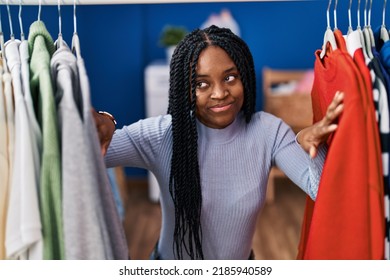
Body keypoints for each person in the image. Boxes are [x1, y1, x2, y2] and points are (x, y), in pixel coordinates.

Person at [93, 25, 344, 260]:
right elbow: (88, 153)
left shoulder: (268, 131)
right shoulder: (163, 134)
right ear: (186, 89)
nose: (219, 93)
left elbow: (322, 191)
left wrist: (314, 147)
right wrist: (104, 121)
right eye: (202, 84)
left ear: (244, 76)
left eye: (230, 78)